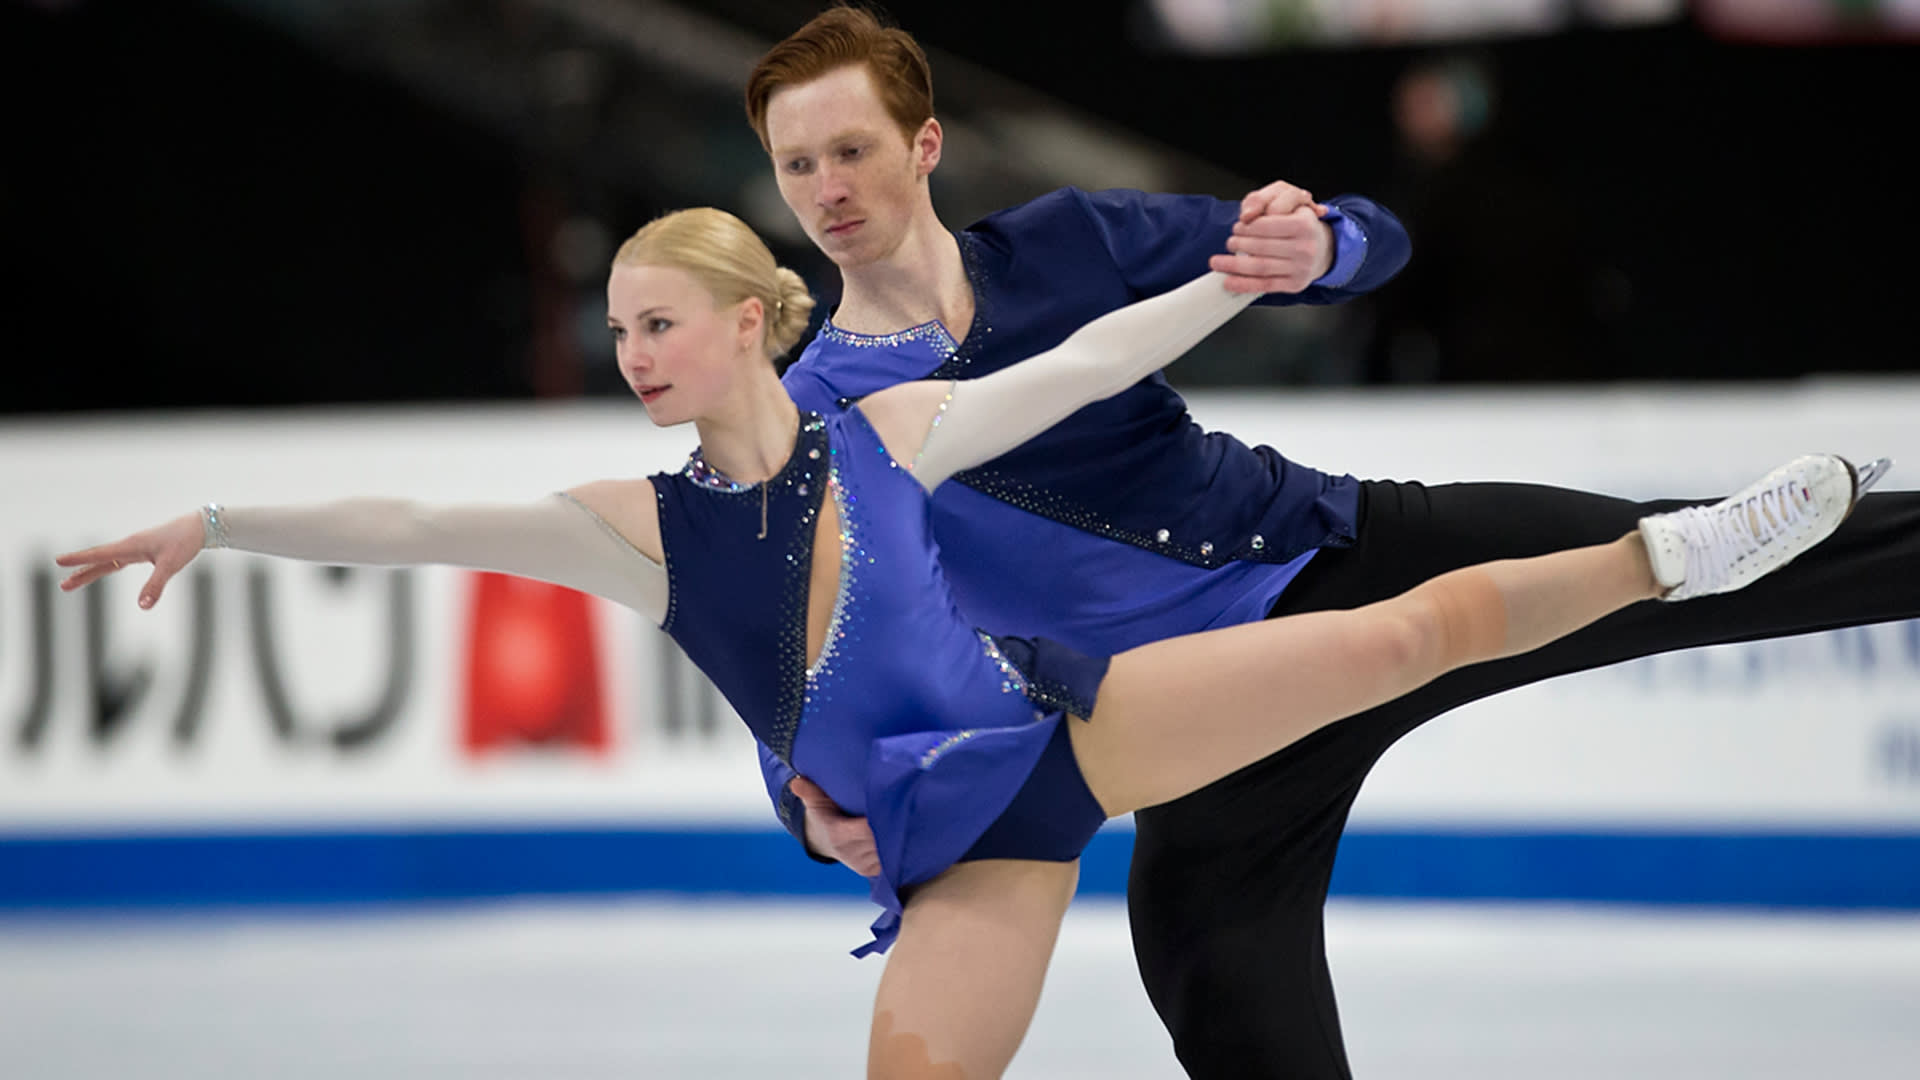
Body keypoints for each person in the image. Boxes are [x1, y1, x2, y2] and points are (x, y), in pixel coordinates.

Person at [54, 207, 1881, 1078]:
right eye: (617, 330)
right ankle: (1660, 555)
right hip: (954, 856)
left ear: (748, 328)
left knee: (1418, 628)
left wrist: (1224, 282)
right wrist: (215, 523)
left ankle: (1672, 552)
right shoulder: (634, 530)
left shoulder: (893, 433)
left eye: (657, 323)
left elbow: (1087, 365)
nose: (631, 355)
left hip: (1065, 739)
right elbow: (405, 529)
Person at [741, 8, 1920, 1077]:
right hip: (1195, 731)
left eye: (851, 149)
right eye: (798, 164)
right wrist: (804, 805)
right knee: (1235, 1027)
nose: (827, 187)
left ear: (925, 145)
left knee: (1715, 556)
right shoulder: (805, 424)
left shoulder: (1068, 243)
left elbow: (1371, 235)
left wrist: (1320, 248)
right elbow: (777, 654)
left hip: (1343, 558)